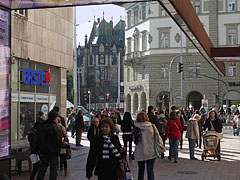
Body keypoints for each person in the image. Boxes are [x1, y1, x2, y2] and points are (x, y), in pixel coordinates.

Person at [36, 110, 63, 180]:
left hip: (43, 151)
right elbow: (59, 142)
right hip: (53, 151)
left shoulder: (41, 126)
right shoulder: (56, 128)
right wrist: (66, 145)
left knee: (42, 169)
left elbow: (37, 138)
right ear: (55, 118)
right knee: (53, 169)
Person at [134, 112, 160, 180]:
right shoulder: (152, 126)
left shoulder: (136, 127)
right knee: (150, 171)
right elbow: (157, 137)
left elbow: (134, 140)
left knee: (141, 171)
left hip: (140, 152)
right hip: (151, 151)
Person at [28, 111, 44, 180]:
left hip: (34, 151)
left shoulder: (32, 134)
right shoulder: (36, 136)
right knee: (38, 167)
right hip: (36, 151)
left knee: (36, 167)